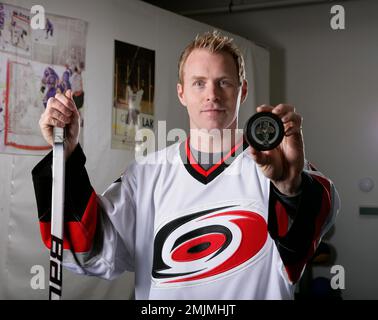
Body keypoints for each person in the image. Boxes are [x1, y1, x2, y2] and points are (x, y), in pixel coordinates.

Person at [32, 31, 339, 299]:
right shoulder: (146, 174)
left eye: (224, 83)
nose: (212, 95)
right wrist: (67, 156)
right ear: (181, 93)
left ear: (242, 90)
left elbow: (307, 238)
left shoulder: (278, 167)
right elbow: (88, 251)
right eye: (199, 83)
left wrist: (290, 187)